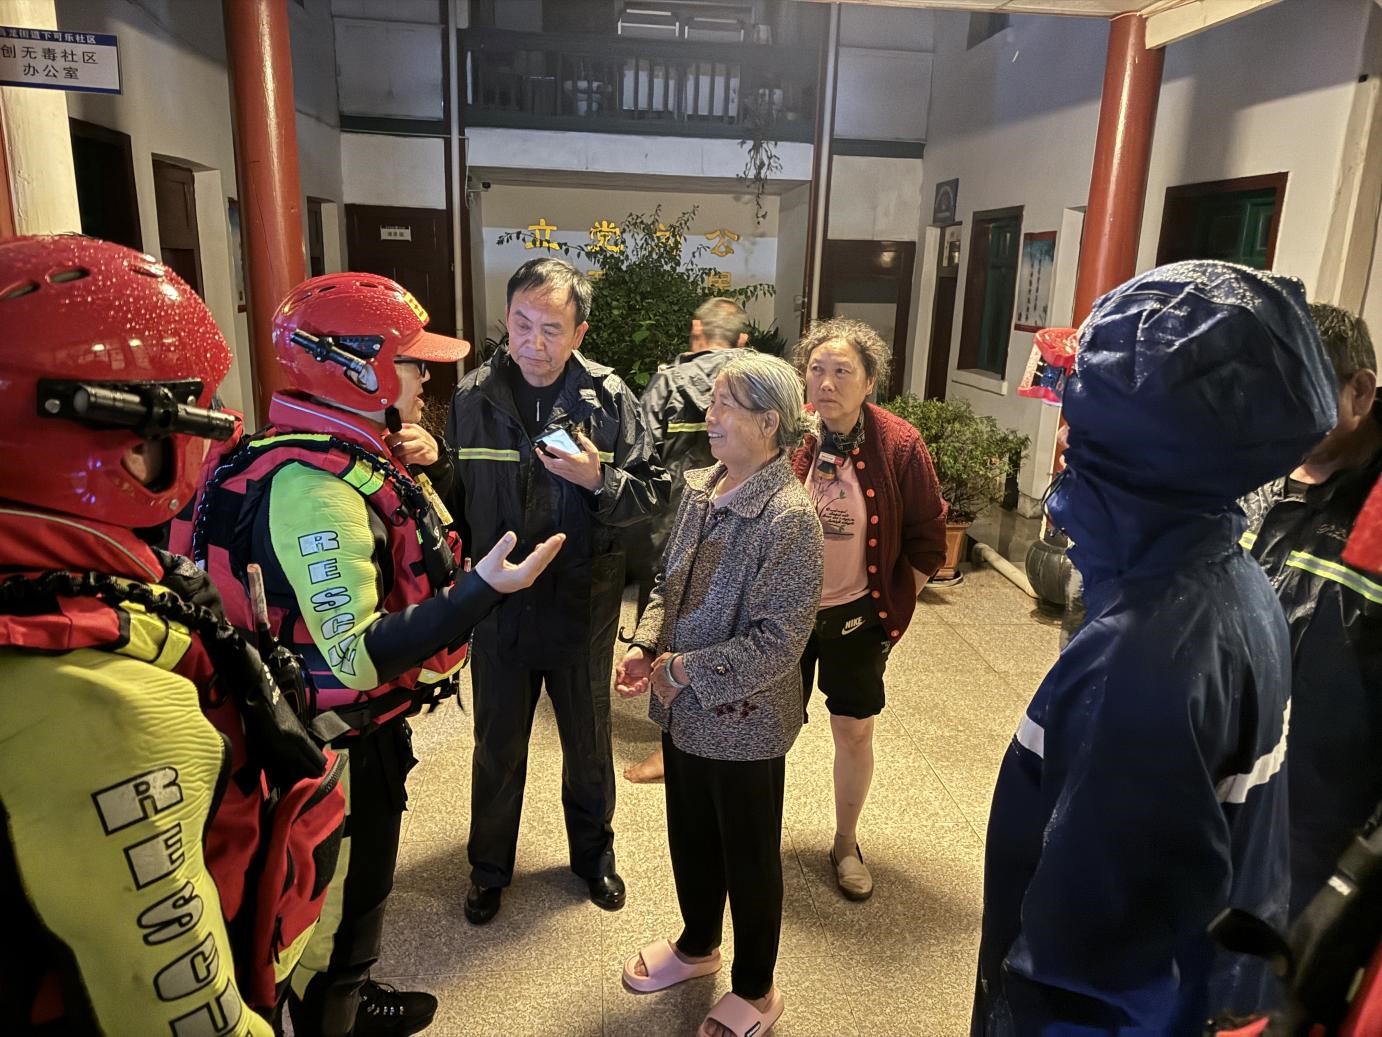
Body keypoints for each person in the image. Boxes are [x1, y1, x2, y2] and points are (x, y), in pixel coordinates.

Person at [180, 272, 564, 1037]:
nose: (425, 380)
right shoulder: (312, 488)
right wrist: (481, 591)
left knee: (360, 889)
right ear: (355, 367)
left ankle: (349, 988)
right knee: (340, 899)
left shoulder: (351, 453)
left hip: (365, 730)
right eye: (412, 363)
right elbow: (354, 658)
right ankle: (334, 1006)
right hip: (331, 746)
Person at [973, 260, 1338, 1035]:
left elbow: (1089, 979)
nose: (1062, 437)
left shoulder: (1143, 658)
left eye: (1080, 419)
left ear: (1138, 455)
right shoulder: (1230, 582)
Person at [0, 235, 334, 1035]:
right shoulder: (106, 707)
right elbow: (183, 1007)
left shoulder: (69, 587)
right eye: (193, 409)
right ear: (132, 439)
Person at [446, 257, 668, 925]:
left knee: (588, 741)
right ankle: (488, 868)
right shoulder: (473, 398)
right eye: (521, 323)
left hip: (582, 601)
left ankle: (594, 857)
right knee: (497, 743)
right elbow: (456, 505)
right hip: (499, 605)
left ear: (579, 332)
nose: (533, 342)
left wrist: (601, 480)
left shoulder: (610, 398)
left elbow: (655, 496)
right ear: (505, 319)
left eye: (551, 328)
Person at [616, 353, 823, 1037]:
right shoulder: (704, 487)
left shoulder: (789, 517)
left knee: (750, 855)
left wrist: (683, 670)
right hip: (684, 712)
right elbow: (665, 582)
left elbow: (778, 643)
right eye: (714, 401)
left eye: (727, 405)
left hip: (745, 720)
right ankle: (697, 944)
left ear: (770, 423)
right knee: (692, 835)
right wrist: (648, 645)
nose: (711, 415)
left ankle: (757, 989)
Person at [789, 317, 948, 901]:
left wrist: (892, 606)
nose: (827, 382)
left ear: (870, 381)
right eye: (817, 370)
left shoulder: (899, 444)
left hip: (858, 616)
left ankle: (846, 841)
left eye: (842, 371)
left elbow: (929, 536)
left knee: (853, 730)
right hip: (784, 616)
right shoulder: (788, 434)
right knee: (767, 731)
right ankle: (754, 838)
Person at [1241, 303, 1382, 920]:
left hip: (1331, 837)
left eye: (1297, 393)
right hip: (1236, 795)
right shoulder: (1253, 478)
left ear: (1360, 391)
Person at [624, 295, 751, 784]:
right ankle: (725, 732)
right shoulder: (757, 382)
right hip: (745, 523)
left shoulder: (669, 381)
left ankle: (668, 745)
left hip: (674, 526)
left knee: (668, 628)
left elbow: (640, 454)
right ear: (742, 339)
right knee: (731, 627)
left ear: (697, 331)